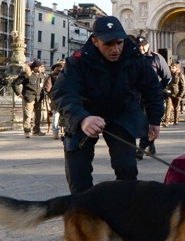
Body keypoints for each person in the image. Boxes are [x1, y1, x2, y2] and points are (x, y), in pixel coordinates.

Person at [51, 16, 166, 193]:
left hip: (121, 111)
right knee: (77, 171)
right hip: (85, 111)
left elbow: (153, 88)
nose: (116, 49)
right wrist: (82, 118)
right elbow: (63, 93)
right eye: (109, 44)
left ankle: (123, 210)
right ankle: (83, 210)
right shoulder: (78, 61)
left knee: (126, 167)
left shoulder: (134, 57)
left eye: (119, 43)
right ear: (95, 41)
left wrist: (155, 119)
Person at [136, 35, 171, 156]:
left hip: (153, 96)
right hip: (139, 96)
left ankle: (141, 148)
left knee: (152, 120)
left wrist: (158, 89)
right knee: (142, 121)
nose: (141, 48)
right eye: (139, 46)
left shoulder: (156, 58)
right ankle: (147, 143)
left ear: (148, 45)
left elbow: (167, 76)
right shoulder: (134, 58)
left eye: (143, 45)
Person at [12, 59, 45, 138]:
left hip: (38, 98)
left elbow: (42, 86)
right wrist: (19, 93)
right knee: (27, 115)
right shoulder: (26, 74)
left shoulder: (42, 75)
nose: (42, 68)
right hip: (28, 97)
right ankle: (27, 131)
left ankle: (36, 130)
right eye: (40, 66)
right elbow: (15, 83)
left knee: (38, 115)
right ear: (35, 67)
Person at [46, 61, 65, 138]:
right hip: (64, 97)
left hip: (56, 98)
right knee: (64, 114)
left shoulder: (51, 76)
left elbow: (47, 88)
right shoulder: (65, 75)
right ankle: (64, 131)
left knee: (56, 115)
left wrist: (51, 94)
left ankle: (55, 132)